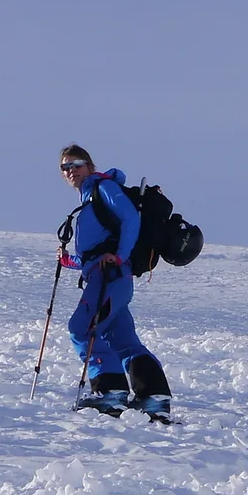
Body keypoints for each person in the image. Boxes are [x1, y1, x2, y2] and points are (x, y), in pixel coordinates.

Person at [58, 146, 173, 418]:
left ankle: (109, 392)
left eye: (76, 164)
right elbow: (96, 251)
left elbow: (129, 218)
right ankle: (153, 397)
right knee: (121, 338)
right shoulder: (88, 201)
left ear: (89, 165)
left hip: (111, 275)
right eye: (65, 167)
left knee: (81, 328)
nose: (71, 170)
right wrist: (69, 261)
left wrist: (120, 256)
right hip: (108, 275)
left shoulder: (103, 188)